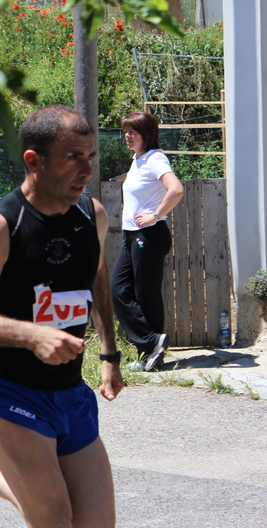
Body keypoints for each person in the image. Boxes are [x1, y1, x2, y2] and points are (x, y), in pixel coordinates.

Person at [0, 105, 124, 526]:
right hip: (11, 392)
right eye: (73, 157)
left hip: (70, 392)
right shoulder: (0, 225)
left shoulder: (90, 215)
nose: (86, 169)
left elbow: (97, 278)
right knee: (54, 519)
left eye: (90, 157)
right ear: (33, 161)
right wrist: (32, 336)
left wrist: (109, 356)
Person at [110, 111, 184, 371]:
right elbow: (143, 184)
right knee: (117, 289)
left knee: (146, 294)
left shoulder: (155, 158)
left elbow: (176, 189)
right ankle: (152, 343)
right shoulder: (138, 159)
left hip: (149, 236)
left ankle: (151, 353)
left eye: (133, 131)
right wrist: (124, 178)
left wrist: (155, 214)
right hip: (132, 236)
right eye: (126, 131)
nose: (127, 136)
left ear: (147, 134)